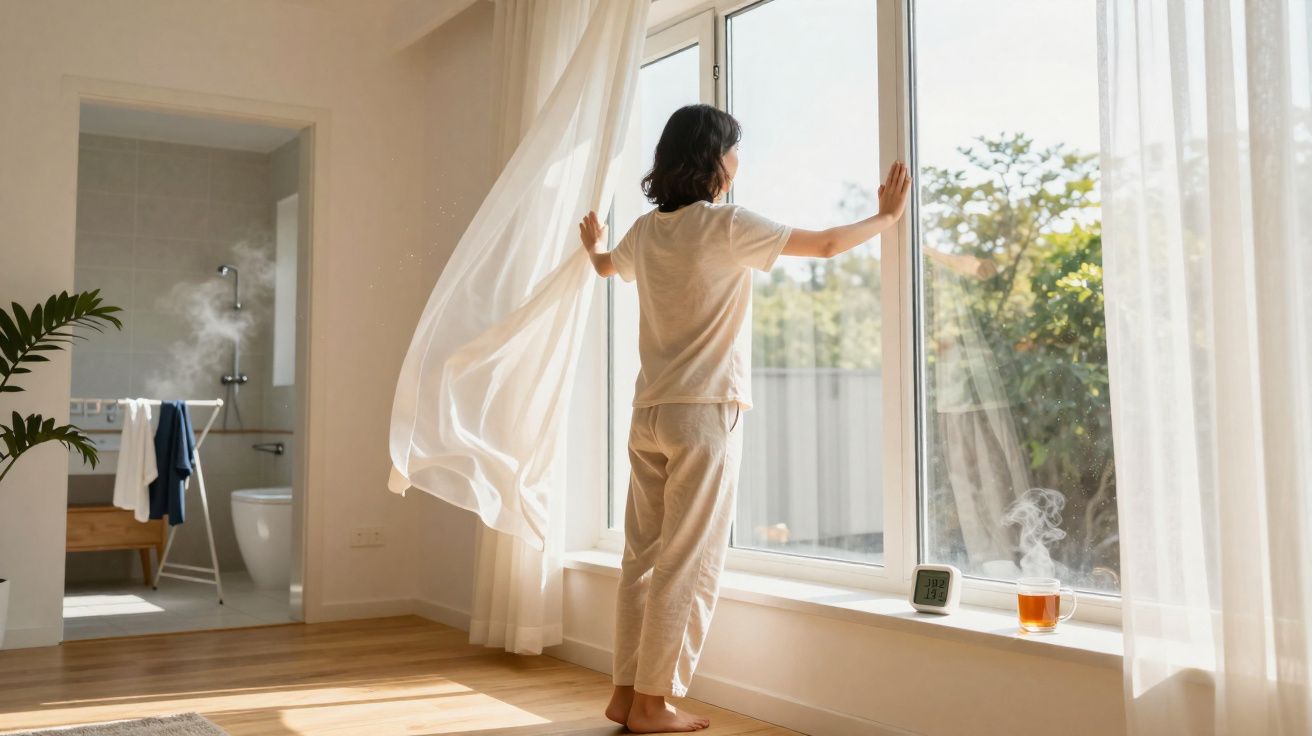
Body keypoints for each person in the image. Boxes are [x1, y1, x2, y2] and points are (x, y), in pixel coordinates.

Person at [578, 103, 910, 733]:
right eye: (735, 150)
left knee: (641, 559)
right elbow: (831, 245)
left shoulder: (647, 232)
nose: (738, 162)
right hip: (703, 416)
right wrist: (889, 217)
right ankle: (652, 704)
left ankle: (624, 694)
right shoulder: (726, 225)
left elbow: (605, 268)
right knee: (687, 560)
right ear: (715, 162)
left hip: (648, 413)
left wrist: (596, 243)